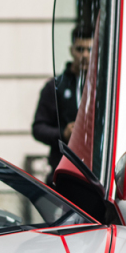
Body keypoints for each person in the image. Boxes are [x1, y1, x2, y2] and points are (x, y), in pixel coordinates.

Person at [32, 32, 92, 183]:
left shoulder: (105, 87)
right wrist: (63, 134)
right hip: (64, 173)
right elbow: (38, 128)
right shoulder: (55, 86)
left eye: (89, 50)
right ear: (71, 50)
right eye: (80, 49)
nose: (84, 55)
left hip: (96, 174)